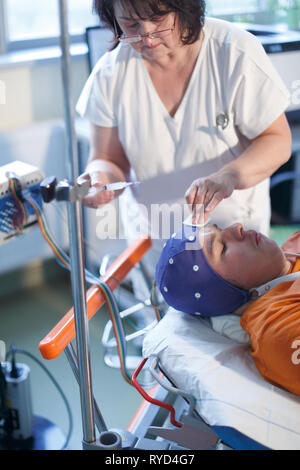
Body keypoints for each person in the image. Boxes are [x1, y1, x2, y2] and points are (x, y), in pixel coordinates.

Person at [76, 0, 292, 296]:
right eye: (131, 25)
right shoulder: (111, 74)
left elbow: (277, 140)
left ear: (183, 7)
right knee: (164, 327)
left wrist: (228, 176)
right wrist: (99, 180)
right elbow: (107, 158)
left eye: (158, 18)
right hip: (156, 240)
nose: (147, 37)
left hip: (235, 252)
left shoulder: (233, 52)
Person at [155, 222, 300, 396]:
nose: (237, 227)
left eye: (221, 229)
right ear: (228, 294)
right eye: (222, 247)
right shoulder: (278, 329)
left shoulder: (295, 242)